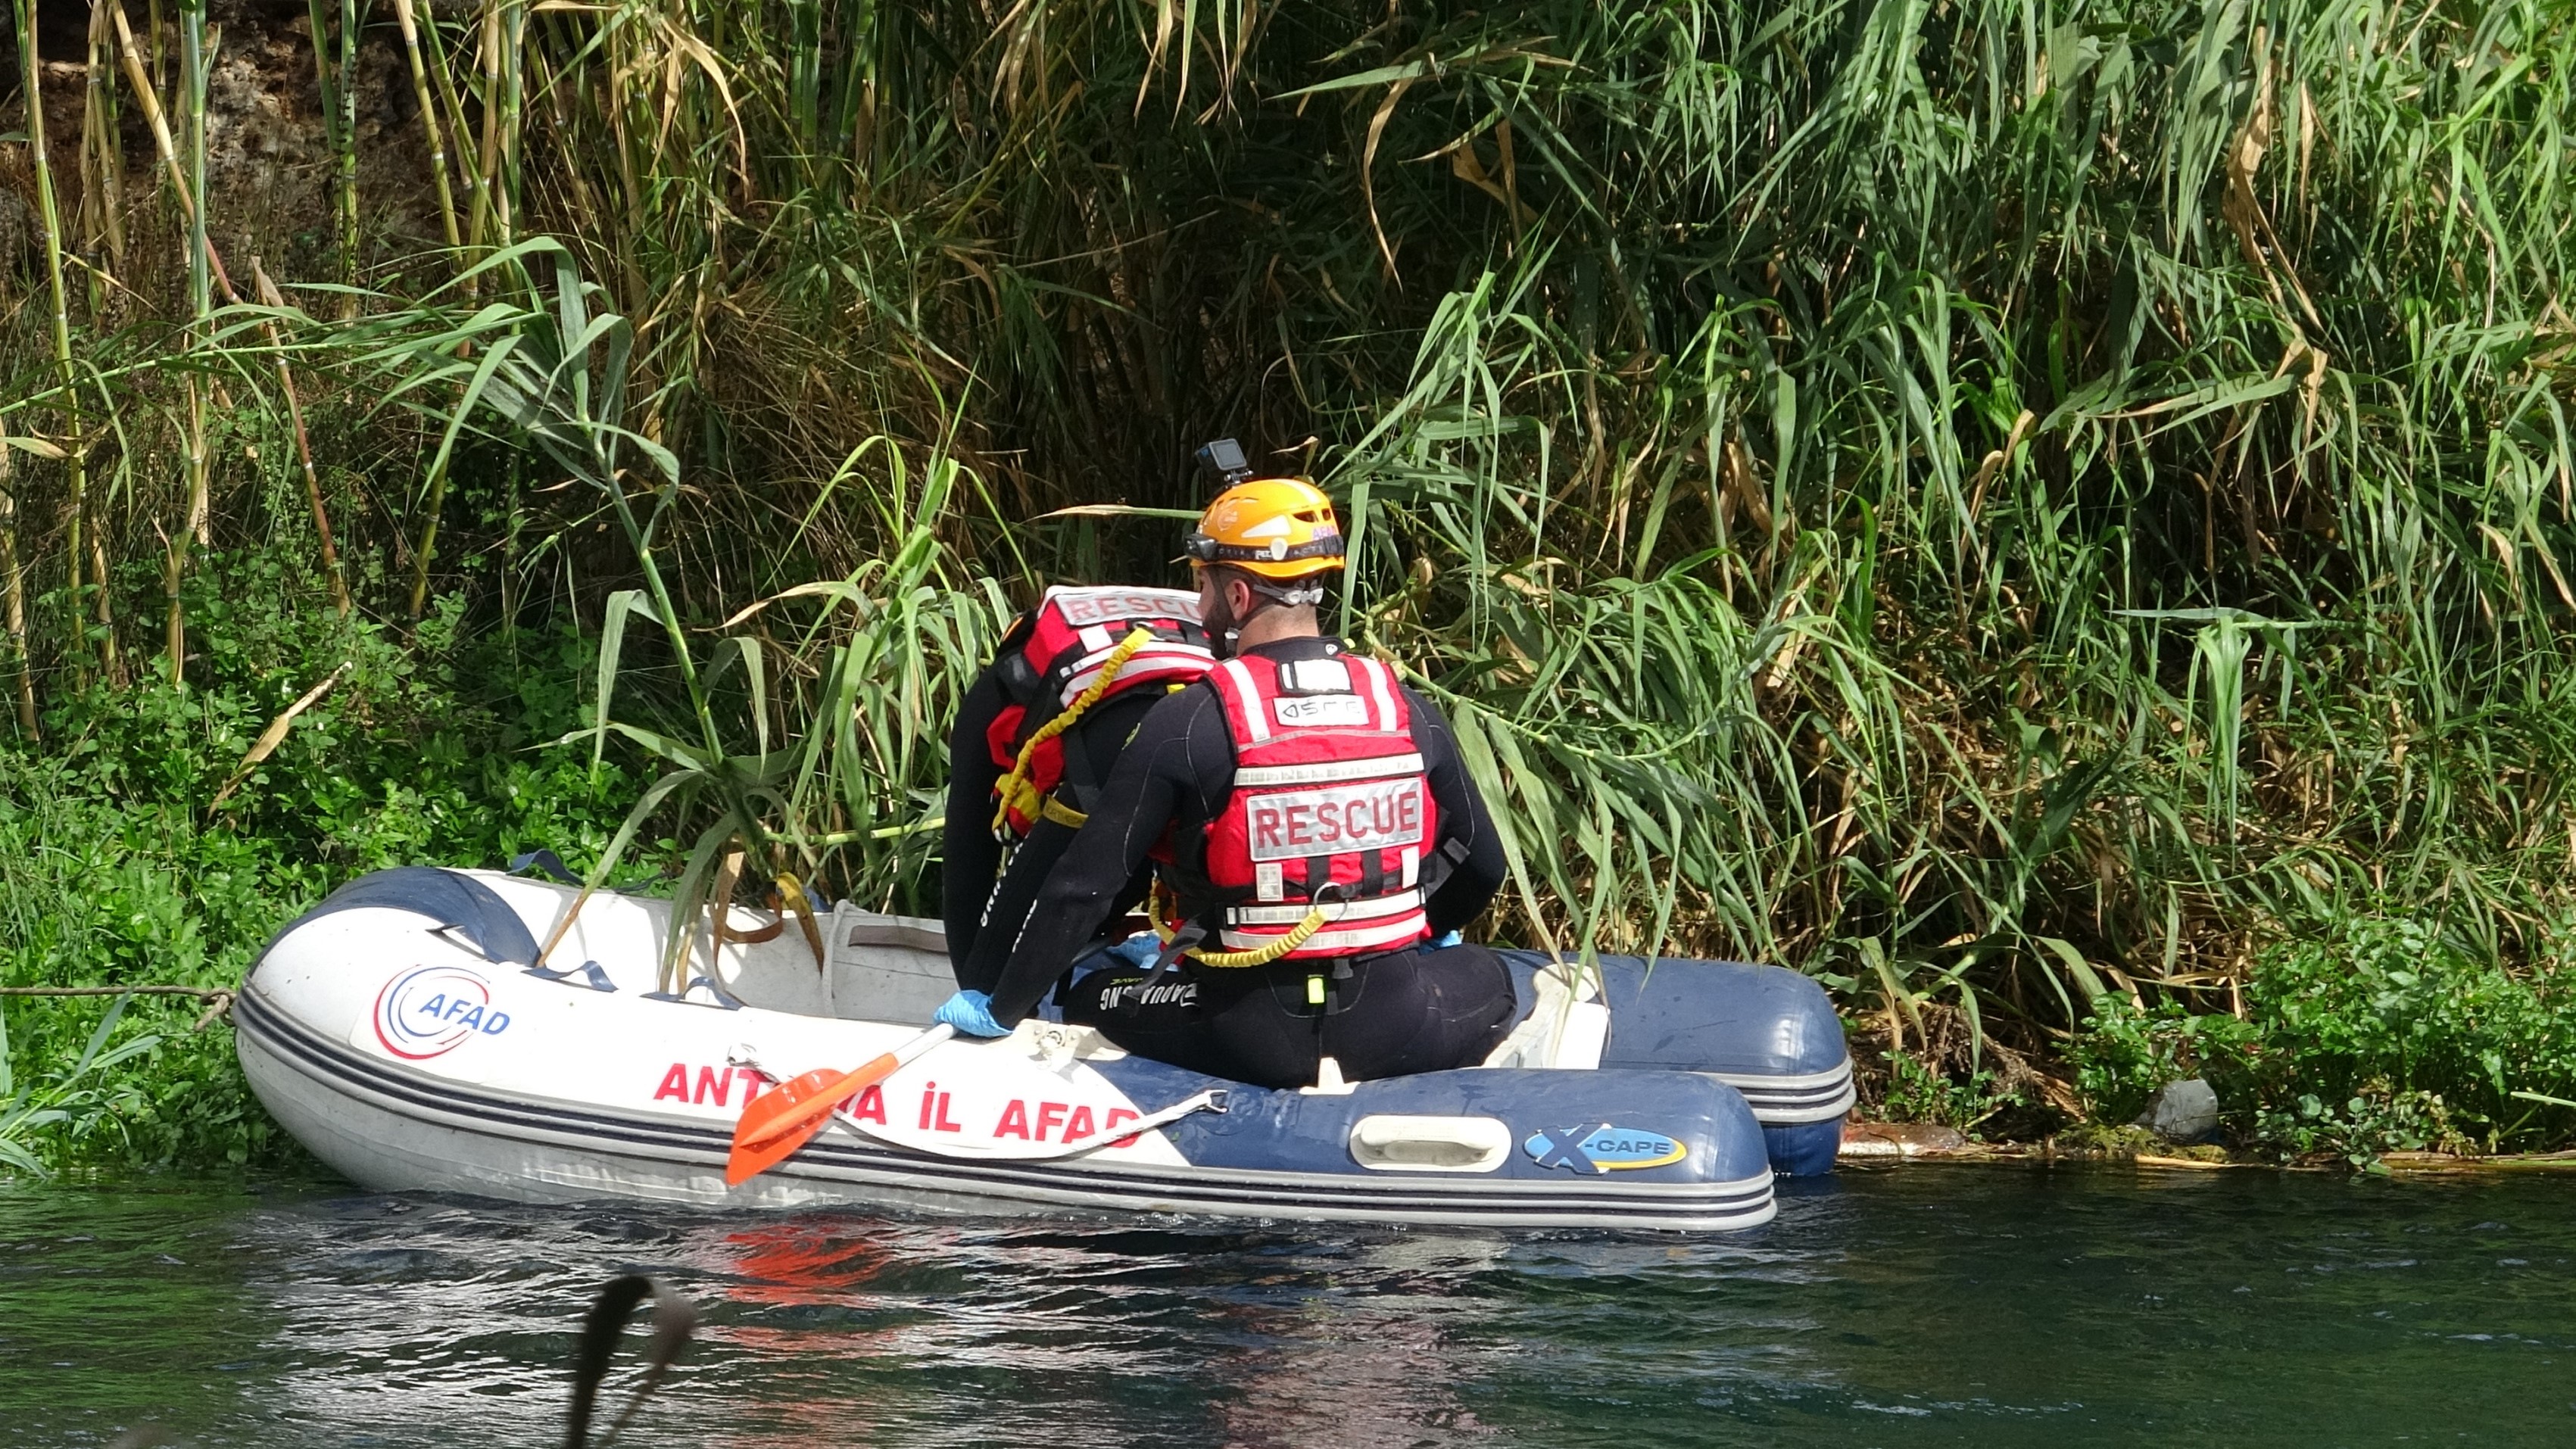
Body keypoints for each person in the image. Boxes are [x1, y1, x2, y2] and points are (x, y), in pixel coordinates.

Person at [938, 449, 1516, 1089]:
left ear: (1238, 594)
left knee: (1093, 992)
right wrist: (1422, 932)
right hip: (1397, 1018)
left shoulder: (1191, 721)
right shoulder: (1404, 705)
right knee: (1492, 976)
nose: (1200, 599)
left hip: (1250, 1030)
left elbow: (1082, 890)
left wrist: (999, 1007)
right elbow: (1482, 864)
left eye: (1205, 584)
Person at [937, 582, 1215, 1029]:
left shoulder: (1221, 725)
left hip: (1165, 699)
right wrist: (987, 996)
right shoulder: (1115, 746)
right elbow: (971, 867)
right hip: (1100, 712)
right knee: (1002, 941)